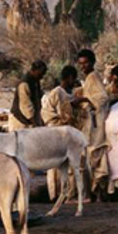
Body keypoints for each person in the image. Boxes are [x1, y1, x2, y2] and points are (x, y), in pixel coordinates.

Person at [42, 66, 82, 203]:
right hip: (57, 131)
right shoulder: (58, 93)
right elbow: (64, 114)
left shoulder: (64, 93)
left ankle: (61, 193)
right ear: (70, 77)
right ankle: (63, 194)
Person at [75, 49, 110, 196]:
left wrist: (84, 100)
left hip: (96, 122)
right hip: (90, 121)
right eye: (80, 64)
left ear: (92, 62)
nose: (83, 66)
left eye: (86, 63)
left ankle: (98, 191)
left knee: (95, 153)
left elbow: (102, 98)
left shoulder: (93, 77)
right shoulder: (89, 78)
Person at [8, 60, 46, 131]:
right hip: (19, 122)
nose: (42, 76)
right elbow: (26, 106)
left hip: (29, 121)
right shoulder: (24, 84)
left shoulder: (35, 82)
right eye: (41, 73)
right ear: (36, 70)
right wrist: (35, 122)